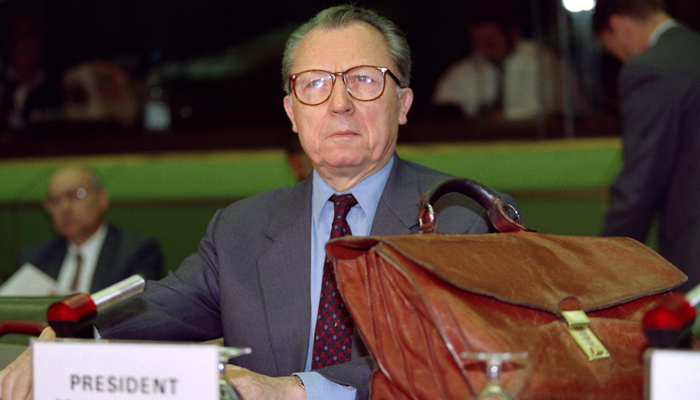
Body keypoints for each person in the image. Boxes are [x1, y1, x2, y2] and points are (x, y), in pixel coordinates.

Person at [0, 6, 516, 400]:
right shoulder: (241, 228)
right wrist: (71, 339)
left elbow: (443, 353)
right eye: (314, 84)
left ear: (401, 104)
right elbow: (159, 305)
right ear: (293, 113)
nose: (338, 103)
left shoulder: (462, 217)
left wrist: (296, 389)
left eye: (363, 79)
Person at [593, 0, 700, 293]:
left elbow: (641, 181)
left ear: (617, 25)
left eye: (616, 51)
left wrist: (605, 264)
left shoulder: (650, 69)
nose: (623, 60)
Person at [15, 165, 163, 294]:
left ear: (102, 198)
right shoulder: (34, 259)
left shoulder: (136, 251)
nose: (65, 208)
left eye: (75, 195)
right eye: (56, 200)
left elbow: (137, 312)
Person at [432, 0, 581, 121]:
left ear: (513, 34)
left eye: (491, 44)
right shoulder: (466, 69)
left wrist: (501, 117)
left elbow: (550, 110)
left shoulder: (543, 62)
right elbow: (443, 104)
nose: (483, 51)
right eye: (477, 44)